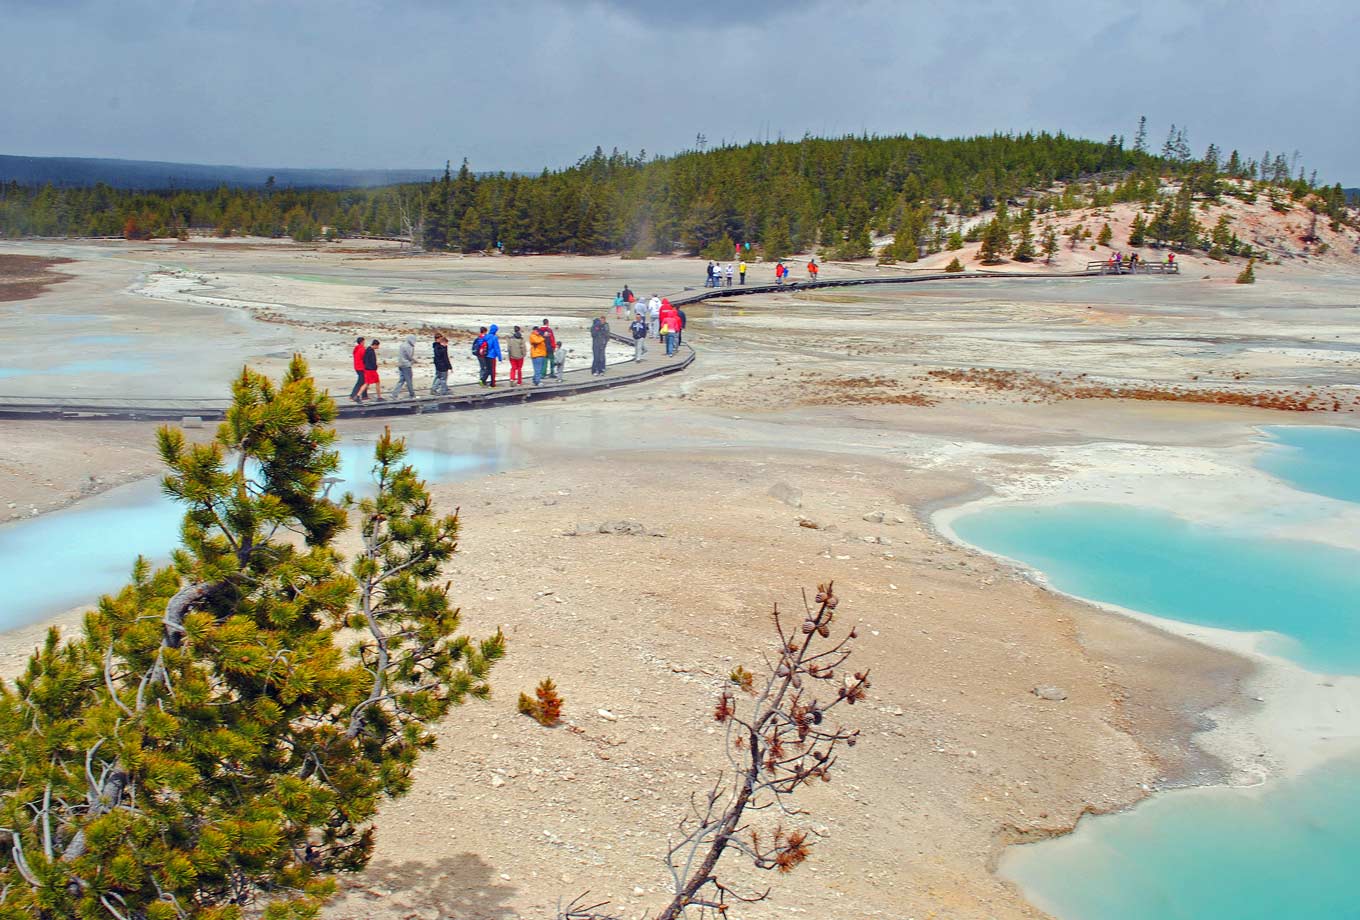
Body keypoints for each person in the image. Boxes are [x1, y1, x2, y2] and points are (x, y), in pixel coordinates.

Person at [350, 336, 367, 402]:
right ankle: (353, 395)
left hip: (357, 367)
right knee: (361, 382)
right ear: (362, 342)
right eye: (364, 341)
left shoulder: (356, 349)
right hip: (361, 367)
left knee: (364, 380)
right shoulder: (362, 349)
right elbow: (364, 358)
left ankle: (364, 396)